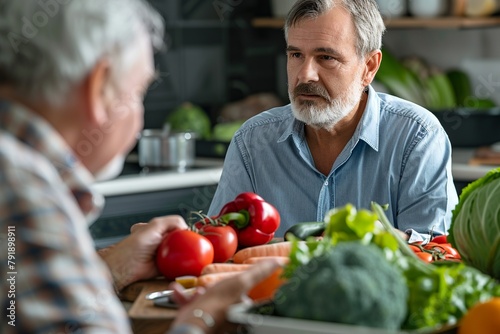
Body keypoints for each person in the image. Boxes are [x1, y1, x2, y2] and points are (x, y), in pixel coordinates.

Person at [0, 1, 279, 333]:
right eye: (137, 93)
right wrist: (200, 320)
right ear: (99, 87)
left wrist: (114, 268)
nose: (139, 115)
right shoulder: (22, 191)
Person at [208, 0, 459, 242]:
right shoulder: (252, 141)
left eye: (326, 57)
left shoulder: (417, 137)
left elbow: (436, 255)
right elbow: (221, 244)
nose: (305, 74)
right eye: (296, 55)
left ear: (369, 67)